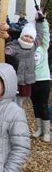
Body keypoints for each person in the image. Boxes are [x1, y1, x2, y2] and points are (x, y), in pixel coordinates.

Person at [5, 12, 44, 107]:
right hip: (16, 79)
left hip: (26, 79)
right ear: (21, 35)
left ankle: (18, 112)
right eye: (26, 36)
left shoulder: (33, 47)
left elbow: (40, 35)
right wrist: (9, 51)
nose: (27, 39)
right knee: (12, 99)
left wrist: (39, 21)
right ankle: (13, 113)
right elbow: (11, 48)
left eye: (30, 37)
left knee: (21, 100)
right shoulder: (16, 45)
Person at [31, 13, 50, 142]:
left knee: (43, 105)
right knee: (35, 105)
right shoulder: (29, 48)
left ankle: (46, 131)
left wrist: (43, 21)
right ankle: (39, 129)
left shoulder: (43, 46)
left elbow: (45, 34)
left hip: (43, 80)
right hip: (32, 80)